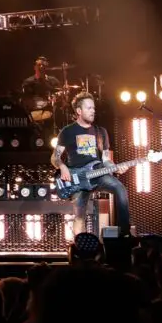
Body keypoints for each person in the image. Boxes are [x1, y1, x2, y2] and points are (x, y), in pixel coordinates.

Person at [52, 94, 131, 235]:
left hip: (98, 174)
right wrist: (62, 166)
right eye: (89, 108)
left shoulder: (101, 132)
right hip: (77, 178)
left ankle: (124, 233)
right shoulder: (67, 132)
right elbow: (55, 157)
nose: (93, 111)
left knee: (120, 189)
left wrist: (116, 168)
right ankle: (80, 249)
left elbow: (106, 158)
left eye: (93, 108)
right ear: (79, 111)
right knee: (79, 217)